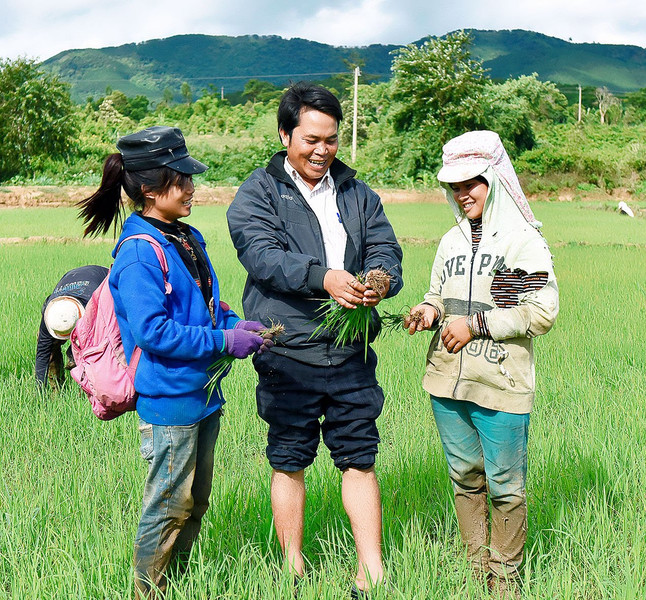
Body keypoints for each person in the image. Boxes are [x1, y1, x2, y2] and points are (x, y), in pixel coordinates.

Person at [77, 125, 271, 598]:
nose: (190, 188)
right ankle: (148, 591)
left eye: (189, 178)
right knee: (167, 505)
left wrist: (232, 322)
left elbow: (201, 304)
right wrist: (225, 342)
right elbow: (153, 332)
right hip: (169, 401)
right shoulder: (140, 253)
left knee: (194, 502)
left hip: (203, 396)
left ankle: (177, 585)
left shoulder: (184, 236)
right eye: (180, 179)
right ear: (149, 189)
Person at [227, 82, 402, 596]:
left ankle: (372, 569)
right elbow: (262, 255)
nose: (322, 150)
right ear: (285, 135)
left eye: (330, 139)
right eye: (310, 139)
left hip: (350, 350)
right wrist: (323, 277)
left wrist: (380, 281)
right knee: (288, 456)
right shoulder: (258, 193)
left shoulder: (356, 192)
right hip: (288, 351)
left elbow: (385, 248)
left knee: (359, 455)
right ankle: (293, 567)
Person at [403, 130, 559, 596]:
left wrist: (477, 325)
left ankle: (504, 581)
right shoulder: (450, 242)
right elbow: (437, 296)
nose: (463, 193)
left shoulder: (521, 242)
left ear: (492, 179)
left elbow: (540, 312)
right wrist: (428, 312)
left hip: (501, 382)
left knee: (506, 486)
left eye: (472, 182)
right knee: (465, 477)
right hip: (446, 384)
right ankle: (476, 570)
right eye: (455, 185)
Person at [35, 264, 108, 388]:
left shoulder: (95, 308)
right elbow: (42, 354)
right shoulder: (51, 314)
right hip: (71, 277)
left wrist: (74, 353)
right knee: (49, 347)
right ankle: (56, 388)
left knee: (92, 351)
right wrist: (39, 389)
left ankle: (88, 392)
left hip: (102, 278)